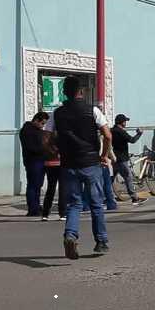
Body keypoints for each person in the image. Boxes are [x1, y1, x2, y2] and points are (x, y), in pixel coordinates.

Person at [45, 76, 113, 259]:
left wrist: (55, 150)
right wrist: (104, 155)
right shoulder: (93, 110)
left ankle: (70, 235)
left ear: (64, 92)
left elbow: (46, 138)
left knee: (74, 204)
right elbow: (107, 135)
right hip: (91, 163)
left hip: (68, 164)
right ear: (81, 91)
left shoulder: (57, 113)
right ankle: (101, 241)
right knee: (96, 203)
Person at [111, 114, 147, 206]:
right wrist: (139, 133)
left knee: (111, 178)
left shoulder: (112, 130)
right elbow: (132, 140)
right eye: (125, 121)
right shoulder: (120, 132)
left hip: (114, 157)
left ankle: (105, 197)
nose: (126, 123)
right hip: (122, 158)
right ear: (122, 122)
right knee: (128, 177)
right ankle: (134, 198)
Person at [19, 112, 49, 217]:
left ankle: (36, 205)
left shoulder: (37, 131)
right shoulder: (27, 131)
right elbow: (31, 147)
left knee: (38, 185)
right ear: (36, 120)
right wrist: (44, 149)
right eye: (42, 123)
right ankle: (33, 208)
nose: (43, 126)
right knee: (33, 185)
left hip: (39, 160)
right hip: (33, 161)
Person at [40, 130, 66, 221]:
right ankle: (62, 213)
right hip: (61, 164)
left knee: (50, 188)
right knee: (63, 189)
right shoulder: (63, 134)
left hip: (49, 164)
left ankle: (45, 214)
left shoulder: (46, 135)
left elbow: (43, 148)